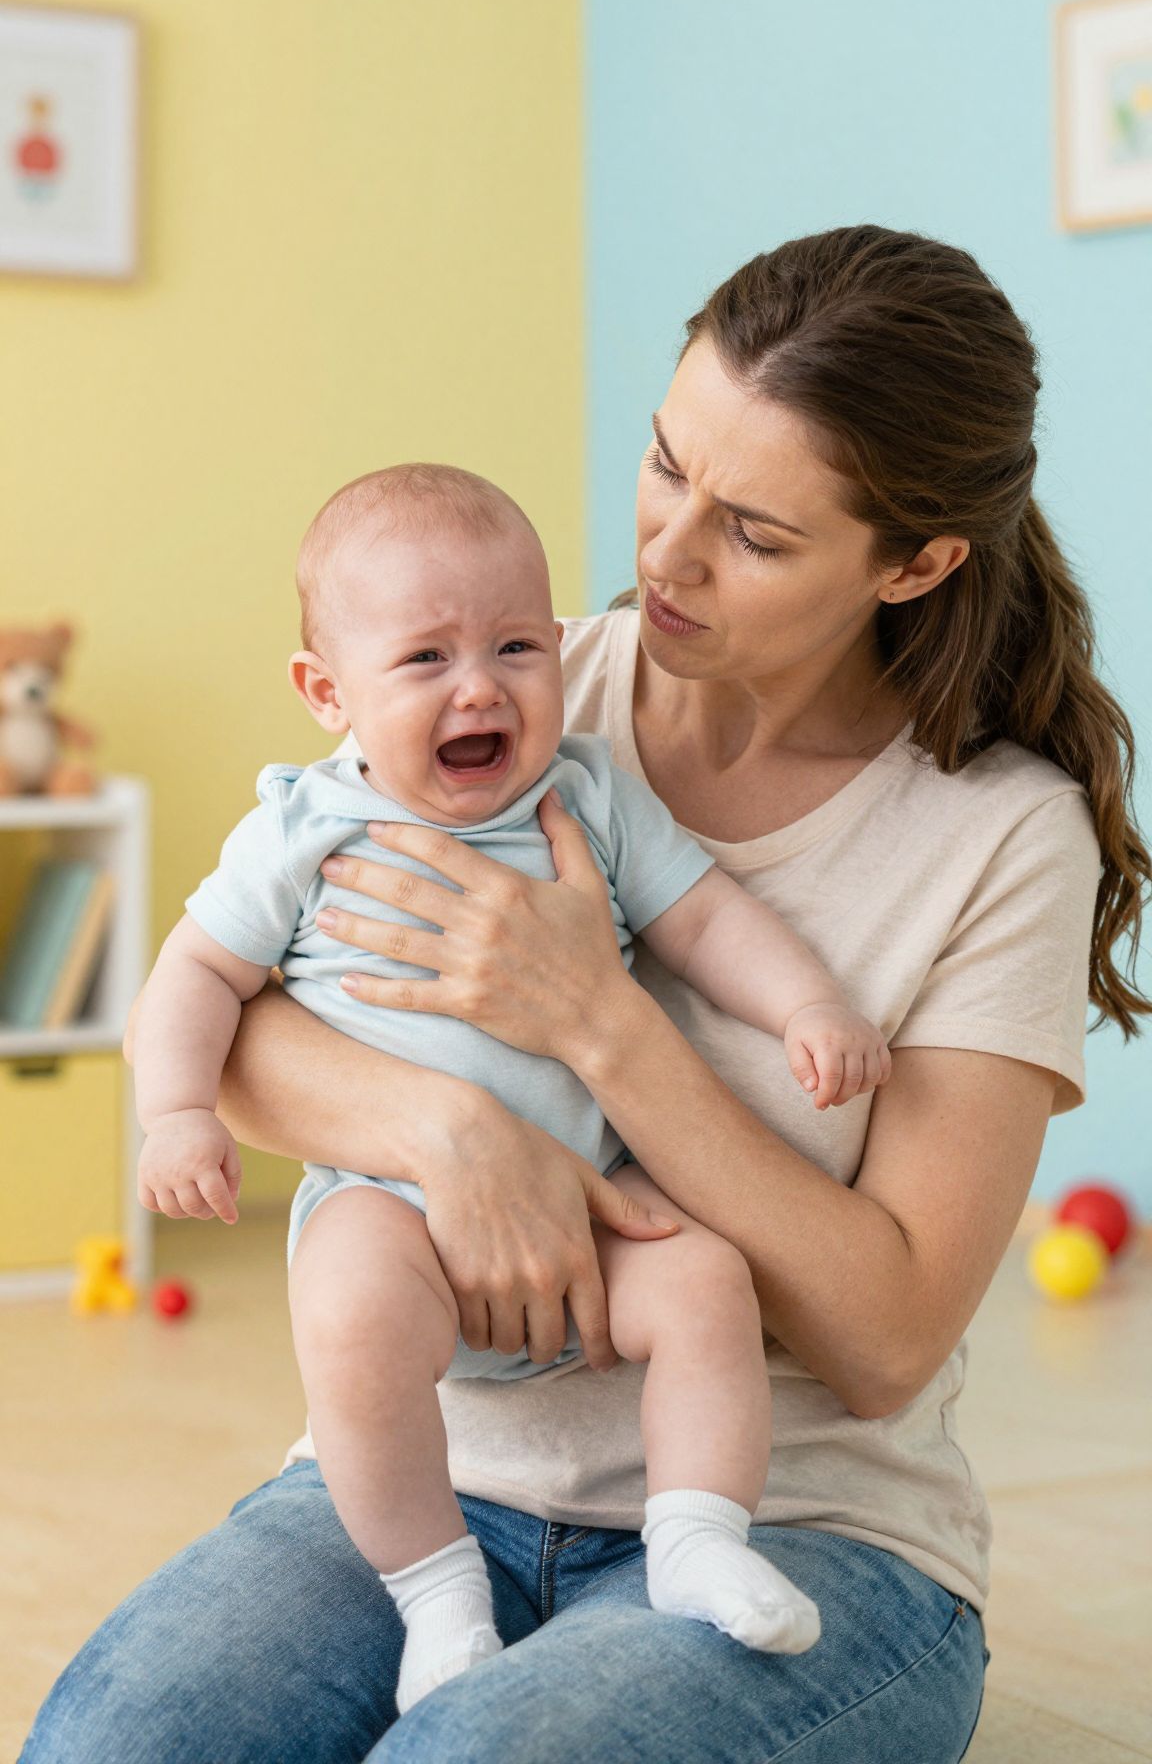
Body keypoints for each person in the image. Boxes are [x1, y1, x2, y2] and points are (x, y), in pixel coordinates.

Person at [21, 225, 1149, 1764]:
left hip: (809, 1529)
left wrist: (601, 1026)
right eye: (667, 463)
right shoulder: (515, 683)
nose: (669, 553)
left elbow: (886, 1334)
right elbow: (244, 1026)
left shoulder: (998, 833)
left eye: (754, 532)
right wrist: (447, 1133)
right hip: (438, 1476)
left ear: (916, 561)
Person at [129, 462, 892, 1710]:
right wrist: (176, 1109)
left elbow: (706, 920)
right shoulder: (307, 826)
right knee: (354, 1314)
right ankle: (437, 1594)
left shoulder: (585, 793)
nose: (480, 683)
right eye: (424, 658)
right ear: (328, 693)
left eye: (516, 644)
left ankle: (697, 1536)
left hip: (595, 1208)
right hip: (389, 1203)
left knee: (704, 1277)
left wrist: (806, 1002)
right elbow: (197, 975)